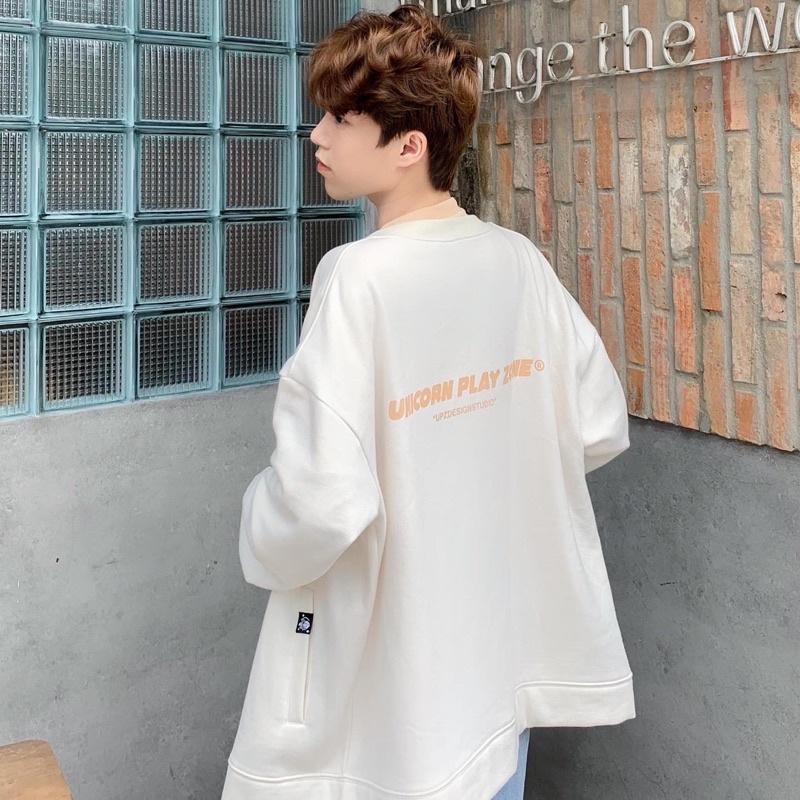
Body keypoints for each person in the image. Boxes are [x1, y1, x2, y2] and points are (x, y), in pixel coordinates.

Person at [221, 5, 635, 800]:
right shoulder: (517, 262)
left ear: (409, 146)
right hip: (497, 649)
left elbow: (318, 503)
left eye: (341, 119)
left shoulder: (359, 276)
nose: (317, 135)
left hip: (399, 672)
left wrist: (257, 528)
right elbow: (597, 425)